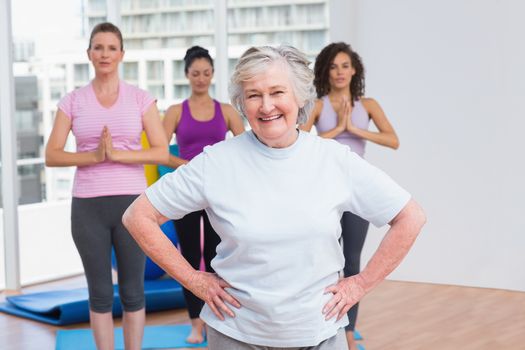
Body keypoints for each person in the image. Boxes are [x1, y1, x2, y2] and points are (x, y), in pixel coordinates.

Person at [123, 45, 426, 350]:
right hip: (236, 334)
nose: (267, 106)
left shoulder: (334, 160)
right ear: (242, 103)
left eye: (278, 92)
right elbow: (138, 216)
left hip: (319, 334)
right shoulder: (216, 162)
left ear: (299, 96)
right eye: (254, 95)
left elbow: (410, 216)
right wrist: (195, 280)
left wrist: (360, 284)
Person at [45, 22, 168, 350]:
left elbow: (160, 150)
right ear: (89, 54)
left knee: (132, 291)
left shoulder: (141, 99)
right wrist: (95, 155)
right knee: (99, 293)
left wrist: (118, 155)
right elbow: (52, 155)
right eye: (98, 47)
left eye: (112, 48)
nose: (105, 54)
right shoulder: (72, 101)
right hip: (88, 206)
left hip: (133, 206)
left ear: (121, 54)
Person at [300, 42, 399, 349]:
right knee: (318, 261)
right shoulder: (318, 105)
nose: (339, 72)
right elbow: (299, 140)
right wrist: (337, 129)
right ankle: (315, 323)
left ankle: (347, 334)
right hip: (324, 189)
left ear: (354, 70)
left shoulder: (367, 105)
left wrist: (355, 130)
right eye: (333, 66)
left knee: (351, 263)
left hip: (356, 190)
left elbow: (392, 140)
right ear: (324, 72)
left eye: (345, 66)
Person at [161, 45, 244, 343]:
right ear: (186, 75)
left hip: (217, 194)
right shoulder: (174, 112)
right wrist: (189, 166)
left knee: (215, 257)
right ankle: (196, 322)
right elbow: (160, 152)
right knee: (189, 258)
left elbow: (246, 147)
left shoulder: (226, 111)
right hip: (186, 191)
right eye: (195, 73)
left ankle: (215, 319)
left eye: (206, 73)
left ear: (212, 75)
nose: (201, 78)